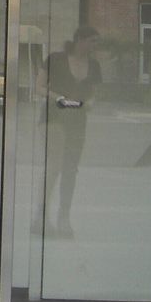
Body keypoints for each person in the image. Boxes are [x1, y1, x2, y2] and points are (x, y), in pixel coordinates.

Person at [45, 25, 101, 238]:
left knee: (70, 169)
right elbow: (39, 87)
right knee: (55, 167)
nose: (95, 46)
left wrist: (90, 102)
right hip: (55, 117)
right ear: (80, 40)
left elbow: (93, 93)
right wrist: (57, 98)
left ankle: (64, 216)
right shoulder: (57, 59)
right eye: (92, 41)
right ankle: (42, 214)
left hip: (78, 121)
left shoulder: (94, 65)